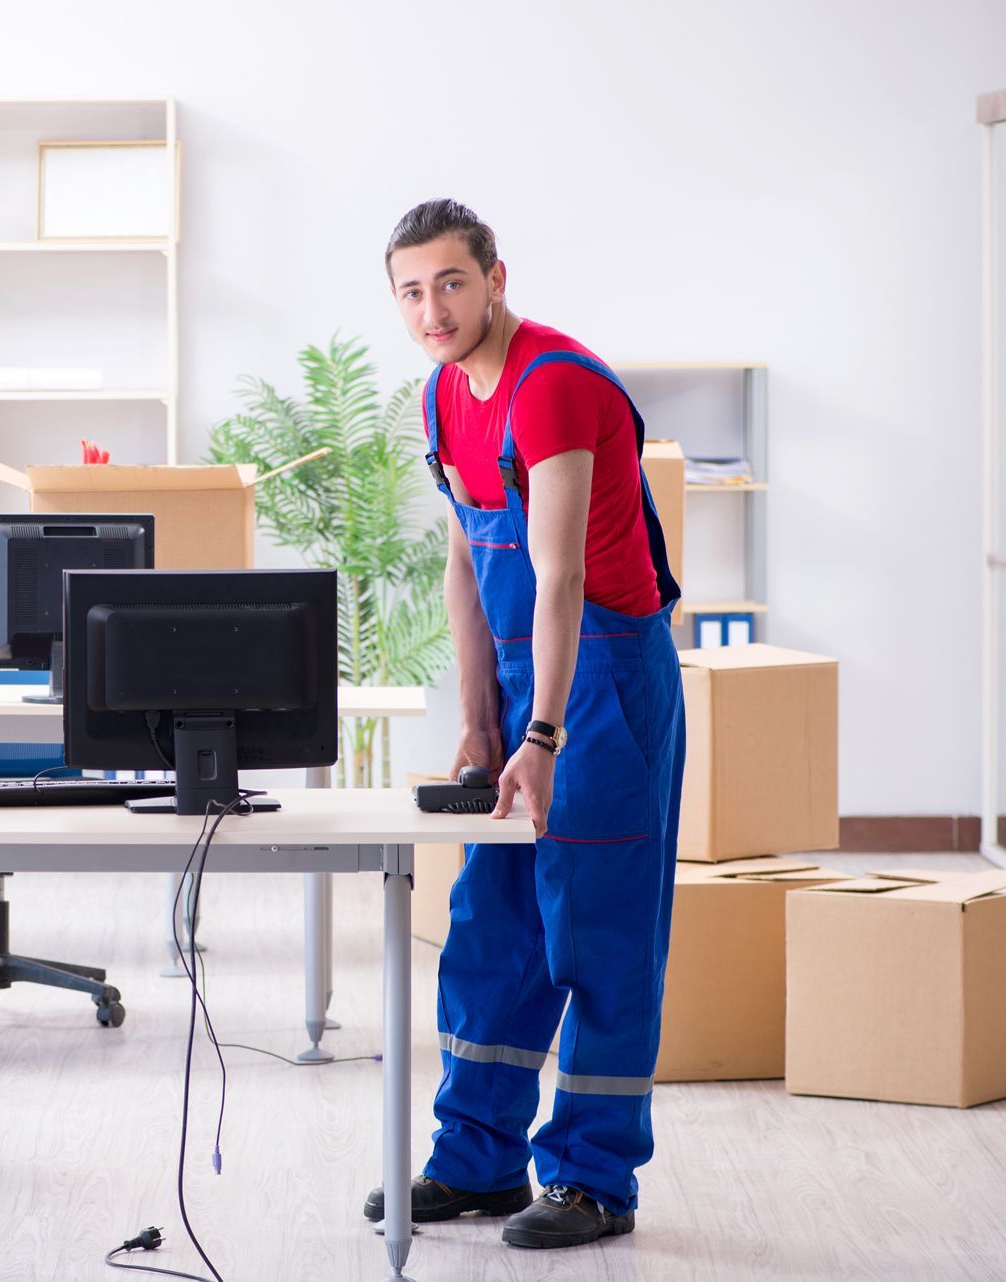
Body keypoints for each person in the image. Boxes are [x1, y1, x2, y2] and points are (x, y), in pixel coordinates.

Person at [369, 198, 685, 1250]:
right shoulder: (442, 396)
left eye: (451, 283)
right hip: (524, 684)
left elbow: (558, 580)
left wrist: (541, 738)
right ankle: (480, 1161)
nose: (432, 308)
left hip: (602, 682)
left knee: (597, 930)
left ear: (496, 278)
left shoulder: (552, 387)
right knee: (493, 923)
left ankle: (595, 1179)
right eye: (411, 290)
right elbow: (467, 562)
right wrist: (480, 722)